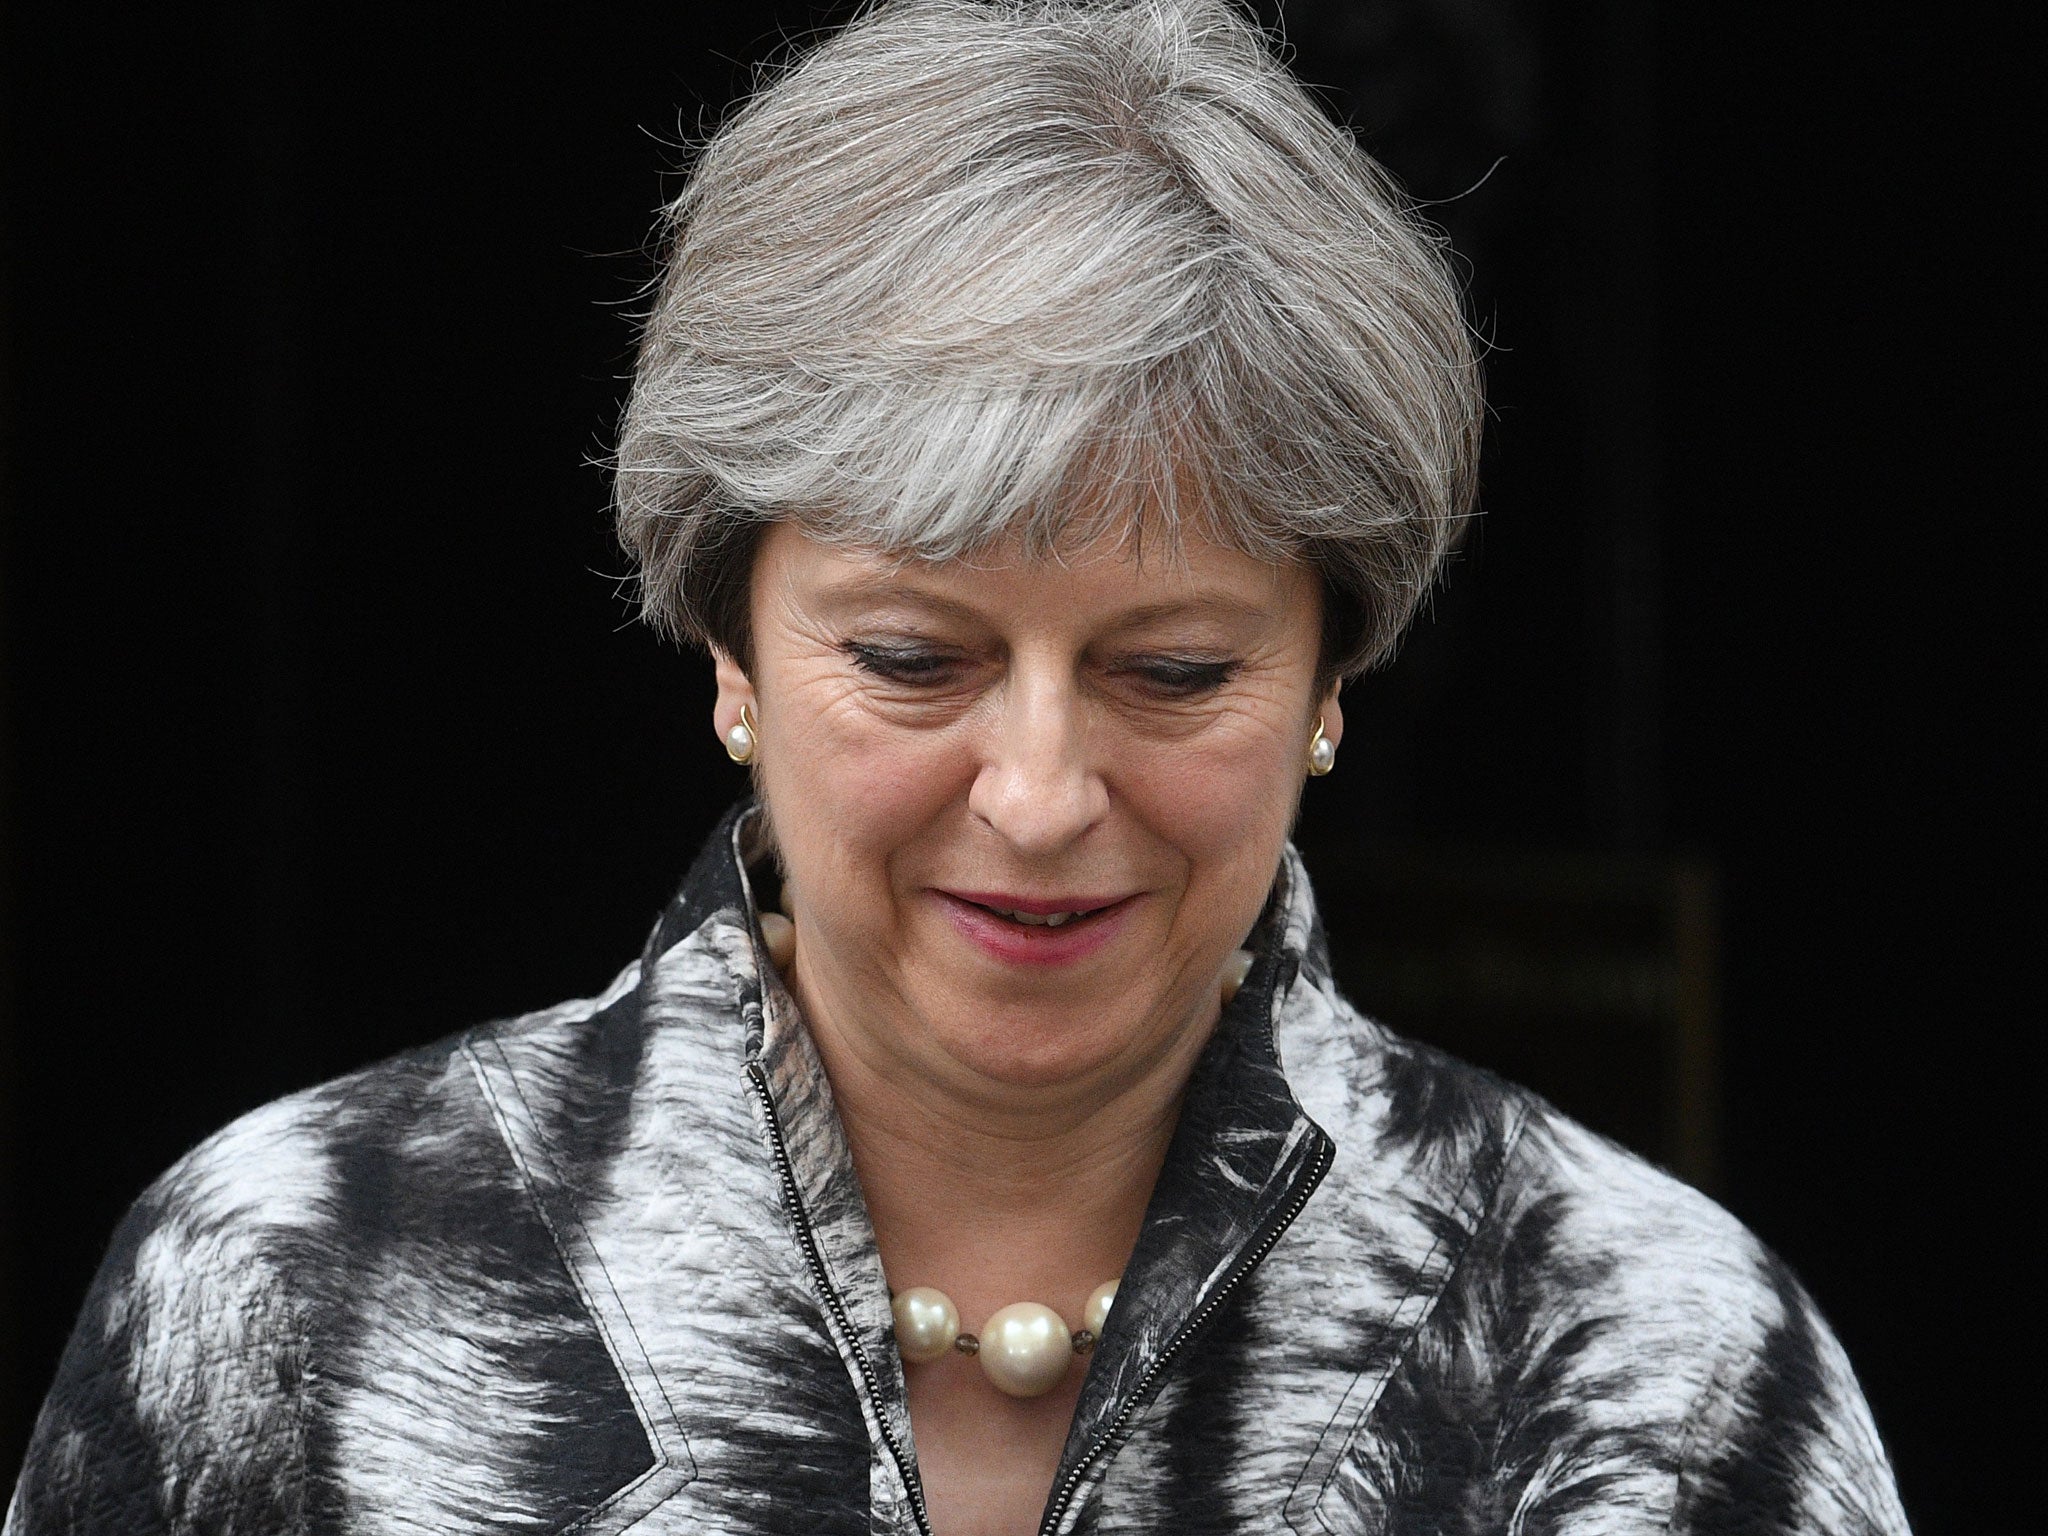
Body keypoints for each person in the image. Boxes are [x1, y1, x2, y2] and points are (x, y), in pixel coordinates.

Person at [6, 1, 1909, 1532]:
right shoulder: (295, 1297)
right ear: (728, 646)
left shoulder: (1648, 1366)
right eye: (917, 660)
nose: (1038, 792)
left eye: (1170, 673)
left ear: (1339, 673)